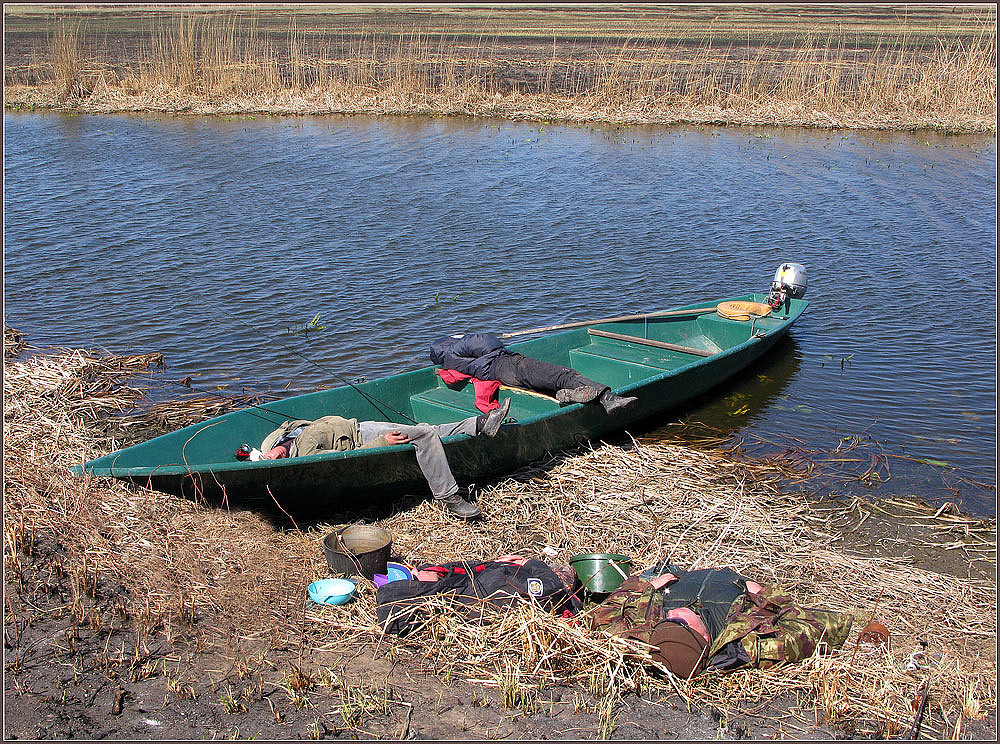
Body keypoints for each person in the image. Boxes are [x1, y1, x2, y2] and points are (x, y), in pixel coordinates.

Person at [245, 399, 511, 520]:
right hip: (363, 440)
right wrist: (380, 444)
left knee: (425, 430)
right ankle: (448, 496)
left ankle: (478, 424)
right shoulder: (303, 454)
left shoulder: (273, 440)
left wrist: (266, 451)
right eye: (272, 459)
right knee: (424, 434)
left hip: (361, 425)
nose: (273, 454)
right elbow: (341, 459)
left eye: (268, 456)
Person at [429, 332, 638, 414]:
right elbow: (488, 342)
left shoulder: (450, 363)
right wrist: (464, 336)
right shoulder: (457, 347)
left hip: (500, 379)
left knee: (541, 389)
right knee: (561, 375)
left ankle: (564, 396)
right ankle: (608, 397)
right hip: (510, 365)